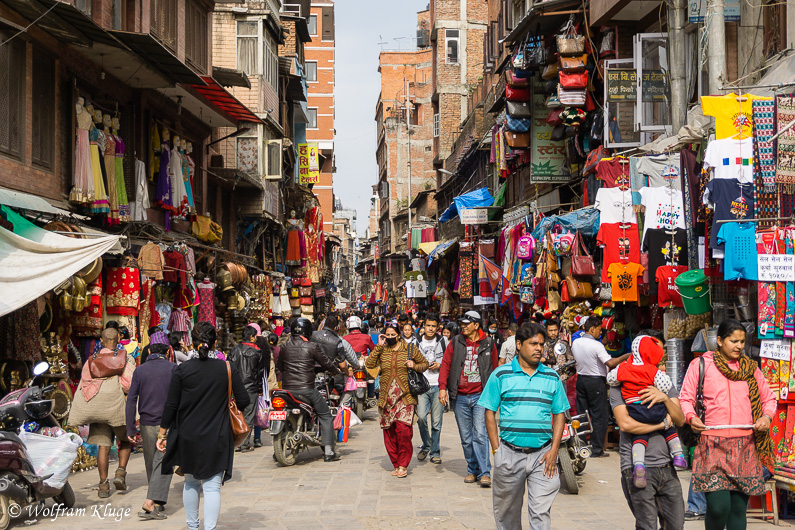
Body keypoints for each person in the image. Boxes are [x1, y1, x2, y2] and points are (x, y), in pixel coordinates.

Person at [679, 319, 776, 530]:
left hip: (745, 446)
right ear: (720, 341)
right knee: (718, 507)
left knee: (739, 509)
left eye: (742, 341)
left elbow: (769, 399)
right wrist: (691, 417)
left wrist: (766, 417)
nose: (739, 346)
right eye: (734, 341)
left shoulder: (751, 369)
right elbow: (685, 398)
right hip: (712, 444)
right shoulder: (701, 365)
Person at [156, 322, 250, 530]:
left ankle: (192, 527)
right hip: (217, 435)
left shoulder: (182, 370)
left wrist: (162, 434)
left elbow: (171, 404)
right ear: (215, 343)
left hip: (188, 435)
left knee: (190, 482)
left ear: (192, 343)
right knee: (212, 488)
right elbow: (243, 400)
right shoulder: (226, 368)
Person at [480, 322, 569, 530]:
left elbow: (559, 414)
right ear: (518, 345)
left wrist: (554, 450)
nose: (539, 348)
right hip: (509, 453)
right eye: (533, 344)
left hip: (543, 456)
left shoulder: (552, 376)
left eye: (541, 344)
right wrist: (497, 450)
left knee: (540, 512)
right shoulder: (501, 375)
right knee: (507, 514)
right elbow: (489, 412)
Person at [609, 339, 687, 530]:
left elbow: (679, 419)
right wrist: (660, 424)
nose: (659, 363)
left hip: (667, 467)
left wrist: (665, 398)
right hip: (635, 467)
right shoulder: (620, 384)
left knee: (676, 525)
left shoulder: (661, 382)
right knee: (647, 526)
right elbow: (626, 424)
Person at [67, 327, 136, 498]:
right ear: (118, 341)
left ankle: (103, 485)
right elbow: (128, 384)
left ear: (102, 341)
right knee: (125, 440)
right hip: (117, 407)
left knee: (103, 447)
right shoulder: (124, 359)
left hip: (98, 408)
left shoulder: (91, 360)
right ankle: (120, 472)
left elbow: (84, 383)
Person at [439, 310, 499, 487]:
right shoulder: (455, 343)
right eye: (462, 323)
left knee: (480, 434)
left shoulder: (489, 343)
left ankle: (485, 472)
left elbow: (494, 369)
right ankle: (472, 469)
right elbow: (446, 365)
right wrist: (443, 388)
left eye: (467, 323)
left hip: (481, 395)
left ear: (476, 325)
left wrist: (496, 395)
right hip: (460, 396)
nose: (463, 326)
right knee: (466, 437)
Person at [365, 323, 429, 478]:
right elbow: (369, 364)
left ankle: (403, 464)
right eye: (388, 334)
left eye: (393, 334)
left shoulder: (410, 349)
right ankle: (396, 463)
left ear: (399, 335)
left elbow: (425, 364)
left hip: (405, 397)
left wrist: (414, 365)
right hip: (386, 398)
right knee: (390, 433)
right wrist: (378, 347)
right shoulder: (382, 350)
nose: (391, 337)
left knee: (404, 431)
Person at [125, 331, 175, 519]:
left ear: (150, 349)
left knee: (151, 462)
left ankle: (156, 503)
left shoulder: (140, 370)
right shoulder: (172, 369)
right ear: (167, 350)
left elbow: (131, 400)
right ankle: (152, 501)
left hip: (146, 423)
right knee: (163, 462)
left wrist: (130, 427)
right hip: (167, 424)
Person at [277, 317, 342, 462]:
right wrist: (336, 371)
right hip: (307, 390)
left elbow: (280, 367)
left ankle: (278, 450)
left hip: (287, 391)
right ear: (308, 332)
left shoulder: (284, 347)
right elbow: (326, 363)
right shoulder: (313, 347)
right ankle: (329, 452)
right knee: (325, 415)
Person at [571, 316, 630, 458]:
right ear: (592, 329)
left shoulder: (576, 342)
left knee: (582, 414)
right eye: (599, 329)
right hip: (595, 381)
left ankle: (581, 447)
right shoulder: (596, 345)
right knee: (600, 416)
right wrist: (625, 356)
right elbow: (610, 363)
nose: (600, 333)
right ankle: (597, 449)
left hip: (581, 379)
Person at [227, 325, 265, 452]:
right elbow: (259, 374)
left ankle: (237, 442)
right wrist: (260, 389)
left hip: (235, 389)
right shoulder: (257, 352)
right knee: (248, 416)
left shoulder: (233, 351)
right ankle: (244, 443)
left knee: (236, 414)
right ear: (252, 337)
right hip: (251, 388)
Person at [415, 313, 445, 464]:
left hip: (438, 385)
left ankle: (435, 451)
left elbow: (448, 360)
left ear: (437, 327)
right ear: (423, 326)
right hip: (422, 385)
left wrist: (440, 365)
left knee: (436, 422)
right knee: (421, 417)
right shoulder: (416, 342)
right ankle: (426, 445)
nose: (431, 328)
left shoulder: (443, 341)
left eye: (434, 326)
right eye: (428, 325)